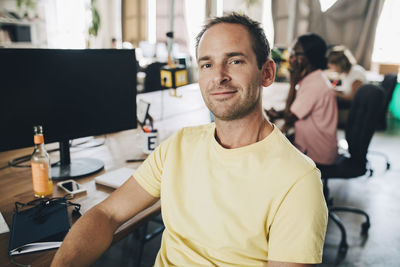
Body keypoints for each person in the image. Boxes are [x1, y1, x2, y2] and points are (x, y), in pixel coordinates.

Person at [51, 14, 328, 266]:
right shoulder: (180, 145)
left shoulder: (298, 181)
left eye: (235, 61)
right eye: (207, 64)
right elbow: (107, 215)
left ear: (266, 72)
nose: (218, 77)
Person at [267, 33, 338, 166]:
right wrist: (279, 113)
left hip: (318, 153)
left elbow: (290, 118)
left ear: (309, 57)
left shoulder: (314, 85)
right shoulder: (314, 79)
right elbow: (297, 110)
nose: (291, 58)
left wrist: (293, 82)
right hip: (316, 146)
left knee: (270, 155)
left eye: (296, 53)